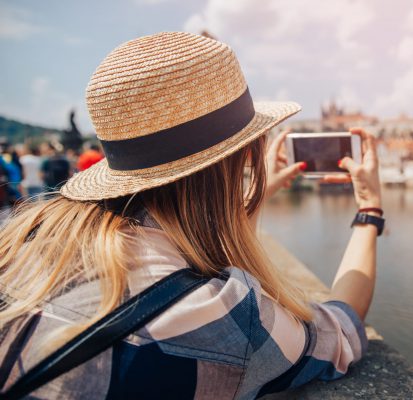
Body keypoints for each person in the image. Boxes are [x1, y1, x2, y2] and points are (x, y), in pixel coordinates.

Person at [0, 32, 383, 399]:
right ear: (247, 157)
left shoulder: (23, 236)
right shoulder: (221, 314)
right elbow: (341, 332)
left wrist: (250, 193)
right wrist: (369, 211)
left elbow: (192, 240)